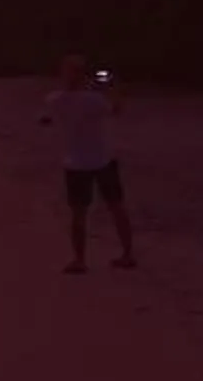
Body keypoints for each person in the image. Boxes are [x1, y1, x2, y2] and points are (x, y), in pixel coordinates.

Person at [39, 53, 135, 274]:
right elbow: (115, 109)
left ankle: (79, 259)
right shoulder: (95, 100)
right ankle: (127, 253)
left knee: (79, 213)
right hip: (103, 159)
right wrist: (112, 89)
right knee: (116, 207)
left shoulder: (54, 100)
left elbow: (48, 116)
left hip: (75, 163)